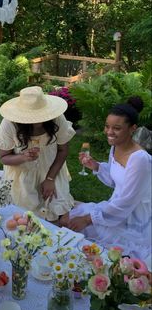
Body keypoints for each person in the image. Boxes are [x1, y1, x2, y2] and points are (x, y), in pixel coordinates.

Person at [60, 96, 152, 259]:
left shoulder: (140, 159)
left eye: (116, 128)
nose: (109, 132)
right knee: (72, 221)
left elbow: (126, 202)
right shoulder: (115, 147)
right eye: (107, 126)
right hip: (115, 207)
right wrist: (95, 166)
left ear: (132, 129)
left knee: (100, 245)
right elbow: (113, 179)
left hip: (133, 216)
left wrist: (89, 219)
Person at [0, 86, 76, 222]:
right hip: (22, 175)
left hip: (52, 170)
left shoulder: (57, 118)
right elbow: (4, 158)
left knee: (60, 216)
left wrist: (50, 179)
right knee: (26, 219)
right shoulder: (9, 124)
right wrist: (23, 157)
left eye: (40, 115)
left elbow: (63, 150)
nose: (36, 120)